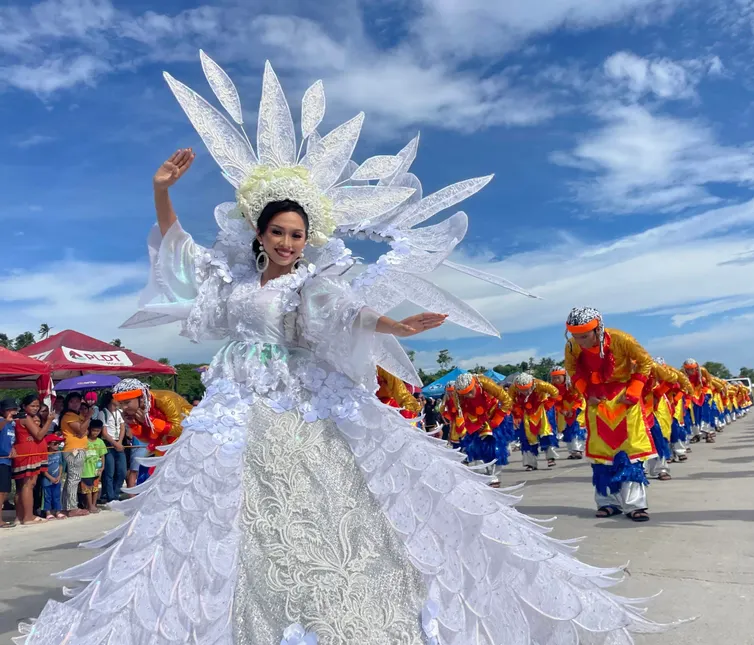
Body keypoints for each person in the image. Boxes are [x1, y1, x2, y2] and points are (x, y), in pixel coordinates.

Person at [18, 56, 674, 644]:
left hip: (301, 399)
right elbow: (179, 258)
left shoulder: (309, 284)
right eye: (279, 232)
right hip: (236, 405)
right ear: (260, 234)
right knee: (221, 510)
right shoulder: (232, 282)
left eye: (297, 234)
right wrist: (162, 191)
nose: (288, 242)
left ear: (307, 240)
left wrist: (398, 326)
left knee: (337, 500)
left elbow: (345, 312)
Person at [565, 307, 655, 522]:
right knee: (601, 455)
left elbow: (645, 362)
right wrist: (587, 393)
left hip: (625, 399)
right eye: (575, 336)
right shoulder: (572, 346)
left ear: (598, 329)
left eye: (584, 336)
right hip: (597, 401)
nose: (579, 341)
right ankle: (607, 502)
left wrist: (634, 391)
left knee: (630, 452)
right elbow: (573, 370)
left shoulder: (621, 339)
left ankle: (635, 505)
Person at [453, 372, 513, 486]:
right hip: (475, 421)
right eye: (465, 394)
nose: (469, 395)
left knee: (495, 448)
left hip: (493, 415)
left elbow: (507, 400)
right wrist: (473, 425)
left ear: (475, 385)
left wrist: (497, 418)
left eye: (471, 391)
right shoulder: (457, 395)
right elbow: (461, 412)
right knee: (477, 449)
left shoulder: (485, 383)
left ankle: (495, 476)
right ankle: (484, 476)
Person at [11, 394, 52, 525]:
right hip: (28, 453)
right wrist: (49, 421)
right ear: (24, 406)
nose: (35, 408)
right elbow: (39, 435)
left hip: (23, 452)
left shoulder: (18, 417)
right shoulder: (26, 418)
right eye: (32, 406)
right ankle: (28, 517)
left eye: (37, 406)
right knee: (28, 485)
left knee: (21, 486)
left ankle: (20, 517)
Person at [509, 372, 560, 469]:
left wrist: (547, 404)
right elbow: (509, 401)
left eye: (527, 389)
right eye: (522, 390)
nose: (524, 392)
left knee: (546, 434)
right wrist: (517, 412)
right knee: (526, 438)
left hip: (541, 411)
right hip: (525, 412)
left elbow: (555, 392)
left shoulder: (540, 384)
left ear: (531, 384)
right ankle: (530, 463)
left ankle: (551, 457)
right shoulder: (513, 388)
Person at [58, 392, 91, 517]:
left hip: (79, 448)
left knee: (71, 479)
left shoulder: (78, 415)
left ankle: (66, 506)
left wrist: (84, 425)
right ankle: (72, 508)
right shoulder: (69, 416)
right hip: (74, 449)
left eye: (77, 401)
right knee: (74, 479)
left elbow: (85, 431)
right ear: (67, 403)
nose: (75, 404)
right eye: (72, 401)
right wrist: (88, 417)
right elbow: (82, 431)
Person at [550, 367, 586, 459]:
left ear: (564, 376)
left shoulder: (573, 384)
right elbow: (556, 402)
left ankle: (578, 450)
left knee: (576, 428)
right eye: (554, 378)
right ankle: (572, 452)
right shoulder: (553, 388)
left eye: (558, 377)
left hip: (577, 407)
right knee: (567, 430)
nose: (556, 380)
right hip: (565, 410)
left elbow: (580, 397)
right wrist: (562, 410)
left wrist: (573, 409)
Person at [98, 393, 127, 502]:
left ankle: (116, 493)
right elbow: (104, 433)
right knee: (109, 471)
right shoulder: (103, 413)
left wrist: (120, 442)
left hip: (118, 442)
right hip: (109, 443)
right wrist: (115, 444)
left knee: (122, 471)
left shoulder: (119, 412)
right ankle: (110, 496)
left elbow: (122, 427)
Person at [80, 420, 107, 513]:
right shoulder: (84, 441)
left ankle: (94, 504)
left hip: (96, 469)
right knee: (87, 489)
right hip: (85, 469)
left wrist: (102, 467)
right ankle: (89, 505)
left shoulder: (100, 442)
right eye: (93, 430)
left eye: (97, 431)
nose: (95, 433)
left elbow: (102, 456)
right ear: (89, 429)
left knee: (95, 488)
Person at [0, 399, 17, 528]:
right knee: (1, 492)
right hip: (1, 460)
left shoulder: (12, 424)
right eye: (9, 410)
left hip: (7, 461)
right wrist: (6, 419)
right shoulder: (2, 421)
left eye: (14, 409)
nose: (12, 412)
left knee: (5, 492)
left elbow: (11, 441)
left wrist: (13, 448)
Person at [42, 434, 66, 520]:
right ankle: (48, 512)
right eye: (55, 443)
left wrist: (59, 475)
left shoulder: (59, 453)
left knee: (57, 496)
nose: (57, 445)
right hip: (47, 480)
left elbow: (60, 465)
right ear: (48, 444)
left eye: (58, 443)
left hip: (57, 479)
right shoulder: (44, 454)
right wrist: (50, 478)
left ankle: (58, 511)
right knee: (47, 496)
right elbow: (43, 469)